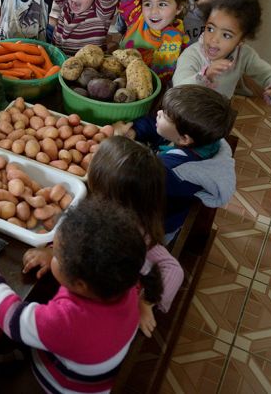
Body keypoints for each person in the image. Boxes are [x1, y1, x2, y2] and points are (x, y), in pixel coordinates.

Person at [0, 197, 153, 392]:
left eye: (58, 255)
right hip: (92, 365)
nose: (52, 253)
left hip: (59, 386)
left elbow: (12, 318)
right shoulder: (124, 279)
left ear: (80, 284)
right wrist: (52, 255)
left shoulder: (68, 321)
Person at [49, 136, 183, 337]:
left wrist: (145, 303)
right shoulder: (113, 210)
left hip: (105, 300)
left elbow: (173, 270)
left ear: (109, 195)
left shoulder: (134, 235)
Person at [114, 84, 237, 241]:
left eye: (165, 115)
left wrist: (117, 143)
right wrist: (135, 130)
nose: (158, 113)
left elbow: (133, 184)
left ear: (184, 139)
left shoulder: (173, 171)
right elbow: (155, 124)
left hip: (154, 227)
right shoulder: (201, 138)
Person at [174, 0, 271, 104]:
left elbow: (269, 74)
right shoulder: (192, 54)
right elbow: (178, 89)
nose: (214, 39)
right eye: (210, 29)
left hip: (215, 115)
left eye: (226, 35)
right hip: (183, 114)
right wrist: (205, 75)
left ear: (241, 40)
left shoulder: (243, 54)